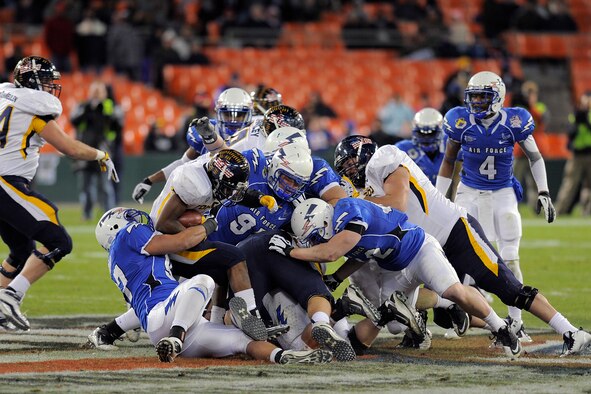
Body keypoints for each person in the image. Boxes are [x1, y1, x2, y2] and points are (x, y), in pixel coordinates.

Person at [333, 134, 591, 356]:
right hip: (420, 247)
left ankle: (569, 331)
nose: (349, 169)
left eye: (351, 161)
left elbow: (398, 202)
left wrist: (356, 203)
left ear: (364, 150)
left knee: (508, 289)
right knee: (417, 314)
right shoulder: (366, 188)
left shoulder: (383, 158)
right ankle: (466, 314)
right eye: (344, 166)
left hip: (454, 233)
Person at [278, 197, 522, 358]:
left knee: (454, 290)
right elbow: (361, 252)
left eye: (313, 236)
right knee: (394, 325)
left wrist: (290, 252)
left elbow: (332, 252)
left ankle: (501, 326)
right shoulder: (339, 229)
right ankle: (402, 307)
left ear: (321, 220)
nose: (313, 243)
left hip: (419, 249)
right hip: (394, 268)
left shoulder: (347, 210)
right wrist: (338, 278)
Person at [94, 207, 333, 364]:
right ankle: (176, 338)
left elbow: (139, 309)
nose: (137, 220)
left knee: (242, 340)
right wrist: (209, 225)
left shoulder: (119, 264)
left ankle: (285, 356)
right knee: (202, 281)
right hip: (174, 323)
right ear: (116, 227)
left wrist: (109, 330)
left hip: (168, 325)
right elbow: (182, 241)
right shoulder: (129, 234)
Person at [0, 56, 119, 331]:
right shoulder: (34, 110)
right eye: (46, 83)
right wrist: (100, 154)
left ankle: (3, 301)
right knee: (58, 240)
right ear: (32, 82)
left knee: (21, 250)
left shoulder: (6, 99)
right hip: (7, 182)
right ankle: (10, 295)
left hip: (7, 182)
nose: (51, 89)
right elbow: (69, 146)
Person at [436, 70, 556, 341]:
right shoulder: (459, 120)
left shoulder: (515, 120)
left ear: (498, 97)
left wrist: (544, 192)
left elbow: (535, 158)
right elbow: (448, 162)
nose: (476, 102)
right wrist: (438, 198)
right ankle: (466, 314)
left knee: (510, 257)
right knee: (464, 258)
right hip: (469, 192)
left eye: (482, 96)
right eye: (473, 96)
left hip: (503, 192)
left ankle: (516, 321)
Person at [131, 87, 254, 204]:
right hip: (208, 201)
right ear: (218, 113)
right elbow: (182, 163)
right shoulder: (206, 132)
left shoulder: (255, 136)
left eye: (239, 115)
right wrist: (149, 180)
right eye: (228, 114)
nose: (233, 121)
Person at [70, 80, 119, 221]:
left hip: (104, 150)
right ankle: (87, 213)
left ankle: (109, 213)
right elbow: (74, 121)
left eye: (99, 91)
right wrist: (88, 110)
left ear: (104, 93)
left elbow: (117, 125)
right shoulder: (83, 106)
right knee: (85, 185)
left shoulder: (110, 106)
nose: (97, 95)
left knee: (105, 185)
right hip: (85, 149)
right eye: (94, 92)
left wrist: (104, 112)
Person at [555, 92, 591, 216]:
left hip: (589, 153)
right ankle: (560, 210)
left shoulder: (588, 116)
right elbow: (570, 132)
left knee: (588, 186)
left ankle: (587, 211)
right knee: (570, 183)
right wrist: (577, 121)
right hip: (577, 155)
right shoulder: (576, 115)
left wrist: (586, 121)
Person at [395, 108, 445, 185]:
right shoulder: (403, 149)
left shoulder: (449, 146)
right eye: (421, 133)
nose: (426, 138)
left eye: (431, 134)